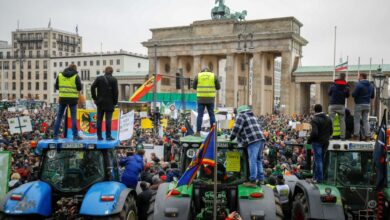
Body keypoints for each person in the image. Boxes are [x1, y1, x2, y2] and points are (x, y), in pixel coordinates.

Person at [230, 105, 266, 187]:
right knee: (258, 159)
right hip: (261, 139)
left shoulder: (241, 115)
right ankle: (261, 179)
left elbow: (236, 128)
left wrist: (231, 137)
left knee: (252, 160)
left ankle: (252, 180)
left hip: (252, 140)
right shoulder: (252, 117)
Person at [53, 64, 83, 140]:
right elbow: (79, 88)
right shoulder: (76, 76)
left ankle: (55, 135)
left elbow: (56, 87)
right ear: (75, 69)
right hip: (73, 99)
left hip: (62, 98)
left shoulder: (60, 75)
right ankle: (75, 136)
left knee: (59, 117)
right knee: (73, 118)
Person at [91, 66, 119, 141]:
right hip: (110, 103)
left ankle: (99, 136)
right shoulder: (114, 80)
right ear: (112, 72)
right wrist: (115, 102)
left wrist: (95, 98)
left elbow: (92, 87)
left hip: (100, 102)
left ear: (105, 71)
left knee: (99, 120)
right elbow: (116, 92)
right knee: (108, 120)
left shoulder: (99, 78)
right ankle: (108, 136)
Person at [307, 104, 333, 183]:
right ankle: (317, 177)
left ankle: (319, 179)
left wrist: (309, 140)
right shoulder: (328, 119)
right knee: (321, 160)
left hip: (317, 142)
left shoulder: (314, 119)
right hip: (326, 141)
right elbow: (331, 131)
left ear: (315, 110)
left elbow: (314, 133)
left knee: (318, 160)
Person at [193, 67, 221, 136]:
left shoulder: (198, 76)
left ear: (202, 71)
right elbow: (218, 87)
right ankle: (213, 131)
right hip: (210, 99)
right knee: (211, 115)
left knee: (200, 115)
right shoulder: (213, 76)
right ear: (209, 71)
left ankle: (198, 132)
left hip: (200, 99)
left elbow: (193, 87)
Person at [352, 73, 375, 141]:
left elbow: (353, 94)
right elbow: (372, 96)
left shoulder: (358, 85)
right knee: (366, 121)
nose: (358, 77)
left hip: (359, 104)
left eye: (358, 76)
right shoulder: (371, 85)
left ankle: (356, 135)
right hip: (367, 105)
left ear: (361, 77)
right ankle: (368, 136)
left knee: (357, 121)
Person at [328, 73, 349, 140]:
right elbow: (347, 96)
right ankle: (342, 137)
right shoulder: (346, 86)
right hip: (341, 105)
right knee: (342, 121)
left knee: (331, 121)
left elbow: (329, 93)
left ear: (338, 77)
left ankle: (330, 136)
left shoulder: (333, 85)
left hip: (332, 104)